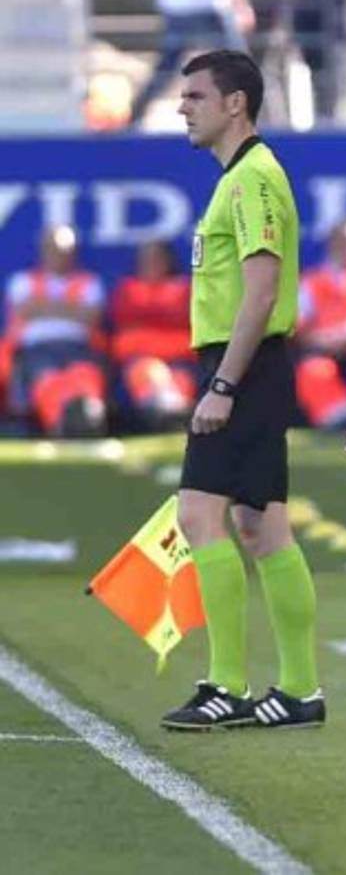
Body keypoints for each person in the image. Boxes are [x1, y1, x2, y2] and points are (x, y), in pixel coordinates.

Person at [162, 51, 324, 731]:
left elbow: (260, 291)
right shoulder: (239, 177)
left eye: (195, 95)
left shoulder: (254, 177)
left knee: (201, 514)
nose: (182, 106)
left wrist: (224, 383)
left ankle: (227, 682)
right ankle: (299, 690)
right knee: (261, 524)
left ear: (235, 104)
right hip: (247, 365)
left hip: (244, 366)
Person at [2, 226, 108, 438]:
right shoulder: (22, 281)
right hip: (36, 349)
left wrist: (43, 307)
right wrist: (71, 308)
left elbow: (91, 316)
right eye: (55, 249)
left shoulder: (90, 282)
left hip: (79, 348)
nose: (60, 255)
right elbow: (24, 310)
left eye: (66, 250)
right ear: (44, 250)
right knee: (47, 380)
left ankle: (87, 418)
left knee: (84, 376)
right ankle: (61, 423)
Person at [129, 0, 255, 127]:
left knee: (165, 71)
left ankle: (134, 117)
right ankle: (252, 117)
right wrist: (240, 5)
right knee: (241, 68)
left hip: (175, 8)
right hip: (208, 9)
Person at [294, 218, 346, 429]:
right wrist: (330, 340)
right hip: (325, 353)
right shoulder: (312, 283)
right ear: (335, 244)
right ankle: (340, 419)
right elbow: (297, 332)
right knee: (313, 370)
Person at [110, 240, 196, 431]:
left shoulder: (186, 288)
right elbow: (126, 317)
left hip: (182, 362)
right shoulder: (127, 289)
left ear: (168, 261)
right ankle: (162, 410)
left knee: (181, 380)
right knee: (148, 372)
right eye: (146, 260)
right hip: (140, 360)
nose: (152, 264)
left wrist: (151, 312)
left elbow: (185, 317)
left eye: (157, 259)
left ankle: (175, 413)